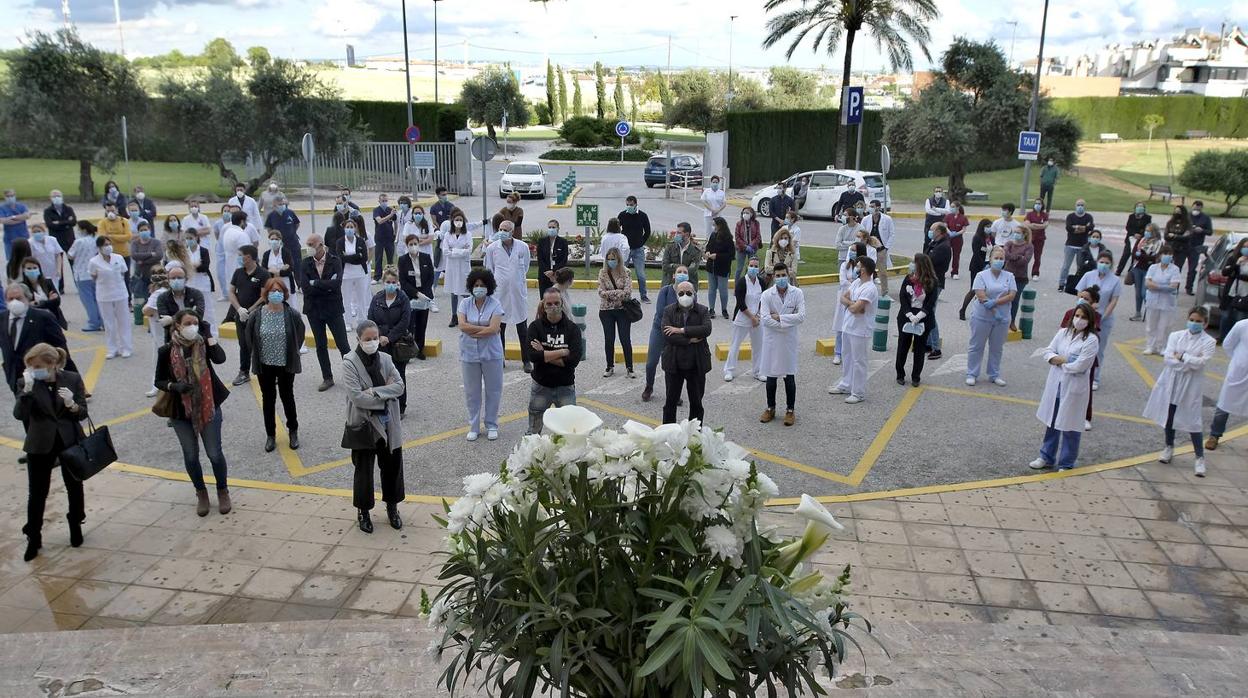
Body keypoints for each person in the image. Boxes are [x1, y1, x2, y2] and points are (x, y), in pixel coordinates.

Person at [14, 343, 89, 561]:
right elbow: (20, 414)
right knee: (37, 493)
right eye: (30, 366)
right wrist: (26, 392)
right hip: (40, 444)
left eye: (37, 366)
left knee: (74, 486)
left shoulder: (72, 379)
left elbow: (82, 413)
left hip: (69, 441)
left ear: (53, 364)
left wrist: (72, 405)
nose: (33, 370)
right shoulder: (26, 382)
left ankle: (75, 524)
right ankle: (34, 537)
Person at [154, 309, 232, 516]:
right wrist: (174, 386)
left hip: (208, 404)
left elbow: (221, 359)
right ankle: (201, 493)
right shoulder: (166, 351)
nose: (192, 327)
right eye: (187, 323)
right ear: (177, 325)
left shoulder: (203, 344)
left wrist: (209, 336)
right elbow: (158, 381)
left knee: (214, 454)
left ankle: (222, 490)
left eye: (195, 323)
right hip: (181, 411)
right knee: (190, 456)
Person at [342, 319, 406, 533]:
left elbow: (399, 386)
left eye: (375, 338)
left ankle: (392, 507)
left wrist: (375, 392)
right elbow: (357, 398)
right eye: (367, 339)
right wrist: (384, 394)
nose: (372, 342)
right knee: (364, 470)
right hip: (364, 424)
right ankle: (363, 511)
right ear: (358, 340)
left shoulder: (386, 359)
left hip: (388, 424)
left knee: (392, 467)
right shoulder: (349, 362)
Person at [1143, 307, 1216, 476]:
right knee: (1169, 415)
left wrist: (1182, 357)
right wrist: (1188, 362)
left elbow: (1201, 363)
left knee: (1193, 420)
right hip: (1171, 381)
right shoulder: (1176, 336)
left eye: (1199, 321)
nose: (1194, 323)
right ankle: (1169, 446)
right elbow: (1168, 359)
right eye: (1192, 319)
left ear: (1205, 324)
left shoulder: (1209, 342)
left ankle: (1199, 458)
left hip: (1191, 385)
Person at [1029, 302, 1099, 472]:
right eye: (1077, 316)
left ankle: (1067, 462)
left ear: (1089, 321)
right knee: (1052, 423)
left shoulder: (1091, 340)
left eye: (1083, 317)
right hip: (1057, 385)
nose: (1079, 320)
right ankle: (1046, 457)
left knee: (1071, 426)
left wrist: (1059, 361)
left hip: (1074, 388)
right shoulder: (1063, 333)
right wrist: (1061, 360)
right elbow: (1048, 352)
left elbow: (1081, 366)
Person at [245, 278, 303, 452]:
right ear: (266, 294)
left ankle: (293, 431)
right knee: (268, 399)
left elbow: (298, 336)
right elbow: (249, 338)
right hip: (265, 364)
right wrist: (256, 355)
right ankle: (271, 435)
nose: (276, 294)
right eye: (272, 291)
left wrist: (293, 352)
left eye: (279, 291)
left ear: (284, 294)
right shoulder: (257, 314)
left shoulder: (292, 314)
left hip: (285, 364)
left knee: (287, 397)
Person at [526, 287, 583, 434]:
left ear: (562, 303)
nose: (553, 307)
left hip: (565, 387)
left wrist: (543, 353)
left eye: (556, 303)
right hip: (541, 386)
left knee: (570, 432)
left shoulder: (573, 329)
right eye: (549, 304)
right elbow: (532, 356)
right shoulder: (535, 327)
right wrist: (562, 352)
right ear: (543, 305)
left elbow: (572, 361)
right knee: (533, 432)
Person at [1, 283, 77, 393]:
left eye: (18, 298)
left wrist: (69, 376)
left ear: (28, 298)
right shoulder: (2, 319)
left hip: (40, 372)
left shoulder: (43, 317)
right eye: (10, 299)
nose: (14, 302)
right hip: (14, 375)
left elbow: (60, 346)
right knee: (22, 405)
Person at [459, 268, 505, 441]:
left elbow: (494, 329)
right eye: (476, 285)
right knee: (472, 392)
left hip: (491, 354)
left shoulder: (495, 304)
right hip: (469, 354)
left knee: (494, 390)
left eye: (483, 285)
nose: (479, 288)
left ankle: (492, 424)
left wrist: (476, 331)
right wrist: (485, 330)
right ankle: (474, 426)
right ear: (471, 286)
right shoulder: (464, 304)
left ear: (489, 287)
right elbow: (462, 326)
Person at [301, 234, 351, 391]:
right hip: (314, 310)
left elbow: (336, 284)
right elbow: (305, 288)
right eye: (307, 243)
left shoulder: (335, 261)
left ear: (321, 244)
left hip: (333, 308)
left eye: (311, 243)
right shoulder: (305, 263)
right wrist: (325, 285)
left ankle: (353, 376)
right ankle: (327, 377)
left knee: (343, 344)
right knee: (320, 345)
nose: (308, 246)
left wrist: (316, 283)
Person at [660, 280, 713, 424]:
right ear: (676, 295)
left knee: (696, 403)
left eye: (689, 293)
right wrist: (689, 340)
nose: (685, 295)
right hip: (674, 363)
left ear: (694, 294)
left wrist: (681, 330)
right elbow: (667, 334)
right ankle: (668, 434)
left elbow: (706, 329)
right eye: (681, 293)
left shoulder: (703, 310)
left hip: (696, 364)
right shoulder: (668, 310)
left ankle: (694, 436)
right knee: (670, 403)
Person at [759, 264, 806, 424]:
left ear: (788, 275)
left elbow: (801, 316)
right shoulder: (766, 295)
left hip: (788, 342)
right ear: (773, 277)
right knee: (771, 377)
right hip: (772, 341)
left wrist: (779, 317)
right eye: (777, 276)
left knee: (789, 377)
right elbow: (764, 319)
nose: (780, 278)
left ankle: (790, 410)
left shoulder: (797, 293)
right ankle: (770, 408)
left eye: (783, 275)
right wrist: (786, 321)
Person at [829, 256, 878, 403]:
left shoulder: (870, 288)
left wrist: (854, 306)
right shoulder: (857, 282)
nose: (856, 267)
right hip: (848, 326)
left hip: (860, 330)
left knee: (859, 361)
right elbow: (843, 298)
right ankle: (846, 384)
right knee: (848, 357)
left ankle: (858, 392)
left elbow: (858, 308)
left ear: (863, 269)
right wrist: (853, 304)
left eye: (858, 265)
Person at [484, 220, 532, 372]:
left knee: (522, 329)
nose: (502, 232)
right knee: (500, 328)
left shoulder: (522, 247)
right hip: (500, 294)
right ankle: (500, 359)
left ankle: (526, 361)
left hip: (518, 294)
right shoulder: (492, 248)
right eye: (500, 229)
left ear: (512, 232)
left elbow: (526, 266)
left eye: (505, 229)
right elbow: (489, 269)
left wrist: (515, 280)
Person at [966, 246, 1016, 387]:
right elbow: (981, 294)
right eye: (996, 258)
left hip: (1002, 318)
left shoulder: (1009, 276)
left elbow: (1011, 295)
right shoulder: (981, 275)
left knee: (997, 347)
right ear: (990, 259)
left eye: (1001, 259)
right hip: (982, 316)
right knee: (977, 346)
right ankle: (972, 373)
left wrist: (996, 302)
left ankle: (994, 374)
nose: (999, 261)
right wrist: (994, 309)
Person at [367, 268, 413, 414]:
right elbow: (371, 319)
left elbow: (404, 322)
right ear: (383, 282)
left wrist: (390, 337)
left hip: (398, 343)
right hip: (380, 343)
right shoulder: (377, 298)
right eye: (388, 282)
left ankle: (401, 407)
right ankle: (383, 404)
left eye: (394, 282)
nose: (391, 285)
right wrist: (379, 336)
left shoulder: (403, 299)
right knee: (380, 375)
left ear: (398, 283)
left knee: (398, 375)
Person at [1075, 250, 1121, 390]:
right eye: (1101, 262)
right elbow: (1079, 292)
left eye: (1107, 263)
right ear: (1097, 262)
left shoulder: (1115, 280)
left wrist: (1103, 316)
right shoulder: (1088, 275)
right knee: (1080, 345)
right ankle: (1078, 370)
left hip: (1103, 319)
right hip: (1085, 316)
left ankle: (1095, 377)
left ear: (1111, 264)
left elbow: (1113, 301)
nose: (1104, 265)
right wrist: (1085, 304)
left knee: (1098, 349)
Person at [226, 245, 271, 385]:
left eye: (241, 255)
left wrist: (250, 310)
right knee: (243, 344)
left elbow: (264, 295)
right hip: (240, 315)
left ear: (249, 257)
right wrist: (239, 309)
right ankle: (244, 372)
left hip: (258, 315)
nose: (239, 258)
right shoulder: (238, 272)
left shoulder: (263, 273)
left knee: (260, 344)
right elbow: (232, 292)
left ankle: (268, 372)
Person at [643, 265, 686, 402]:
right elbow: (662, 312)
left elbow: (692, 315)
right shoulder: (665, 291)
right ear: (674, 276)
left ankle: (673, 393)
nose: (682, 274)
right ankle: (649, 387)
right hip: (660, 330)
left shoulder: (690, 293)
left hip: (677, 333)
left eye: (685, 272)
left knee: (672, 365)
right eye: (679, 272)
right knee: (651, 363)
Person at [895, 254, 938, 387]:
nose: (911, 264)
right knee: (903, 346)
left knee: (919, 349)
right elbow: (902, 297)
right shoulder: (908, 279)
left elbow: (930, 303)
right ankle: (900, 374)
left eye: (914, 262)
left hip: (924, 319)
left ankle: (916, 377)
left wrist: (919, 317)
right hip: (906, 317)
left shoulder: (932, 281)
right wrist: (909, 315)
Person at [88, 235, 133, 359]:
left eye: (109, 244)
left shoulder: (118, 258)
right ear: (99, 247)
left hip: (120, 293)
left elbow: (123, 272)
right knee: (109, 323)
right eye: (105, 245)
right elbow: (93, 277)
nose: (108, 247)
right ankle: (112, 349)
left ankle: (126, 348)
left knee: (124, 321)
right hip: (104, 295)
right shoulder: (94, 261)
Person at [1206, 318, 1247, 451]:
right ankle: (1214, 435)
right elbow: (1228, 344)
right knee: (1224, 405)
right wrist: (1238, 361)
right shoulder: (1242, 325)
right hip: (1238, 372)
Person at [725, 257, 768, 382]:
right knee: (735, 344)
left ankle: (758, 371)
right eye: (751, 265)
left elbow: (763, 300)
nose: (753, 268)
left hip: (758, 318)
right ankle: (729, 370)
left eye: (756, 266)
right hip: (743, 317)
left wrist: (758, 316)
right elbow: (741, 303)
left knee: (759, 345)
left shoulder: (761, 282)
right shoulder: (741, 282)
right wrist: (751, 317)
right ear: (747, 266)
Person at [598, 247, 636, 379]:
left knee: (625, 339)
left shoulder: (626, 272)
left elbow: (627, 292)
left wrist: (610, 295)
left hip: (622, 311)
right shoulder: (603, 272)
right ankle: (609, 366)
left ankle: (629, 367)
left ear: (618, 259)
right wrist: (617, 293)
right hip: (606, 311)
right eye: (608, 259)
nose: (610, 261)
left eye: (613, 259)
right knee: (609, 339)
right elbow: (601, 292)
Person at [440, 208, 479, 328]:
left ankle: (469, 315)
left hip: (463, 267)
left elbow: (468, 251)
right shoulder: (447, 234)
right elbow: (445, 251)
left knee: (466, 292)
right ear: (452, 221)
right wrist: (459, 251)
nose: (458, 222)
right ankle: (454, 316)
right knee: (453, 292)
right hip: (451, 267)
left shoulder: (468, 234)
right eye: (456, 220)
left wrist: (454, 251)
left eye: (460, 220)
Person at [398, 233, 434, 360]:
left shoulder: (426, 257)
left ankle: (420, 349)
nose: (413, 246)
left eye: (415, 244)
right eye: (410, 244)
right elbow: (403, 281)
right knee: (409, 324)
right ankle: (409, 350)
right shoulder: (402, 260)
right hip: (410, 296)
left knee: (421, 323)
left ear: (419, 244)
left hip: (424, 294)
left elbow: (430, 276)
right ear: (407, 246)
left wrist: (424, 293)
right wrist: (416, 294)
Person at [1143, 244, 1182, 355]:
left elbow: (1173, 286)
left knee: (1164, 326)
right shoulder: (1153, 268)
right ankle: (1150, 346)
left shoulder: (1175, 269)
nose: (1167, 256)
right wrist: (1164, 286)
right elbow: (1147, 283)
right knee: (1151, 325)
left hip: (1167, 302)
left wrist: (1156, 286)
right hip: (1152, 301)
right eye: (1165, 254)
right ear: (1160, 255)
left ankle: (1162, 347)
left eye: (1169, 254)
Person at [156, 264, 209, 343]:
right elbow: (165, 323)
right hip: (172, 340)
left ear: (186, 279)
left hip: (196, 338)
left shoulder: (196, 294)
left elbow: (199, 315)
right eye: (173, 278)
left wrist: (172, 319)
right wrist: (190, 313)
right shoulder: (162, 298)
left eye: (179, 278)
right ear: (168, 280)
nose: (176, 280)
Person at [336, 216, 372, 335]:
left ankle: (361, 321)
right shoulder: (340, 242)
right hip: (346, 275)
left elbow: (364, 257)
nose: (350, 229)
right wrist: (356, 256)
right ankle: (348, 322)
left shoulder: (360, 240)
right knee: (346, 299)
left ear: (355, 228)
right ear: (344, 229)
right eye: (348, 227)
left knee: (361, 298)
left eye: (352, 227)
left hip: (360, 273)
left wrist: (350, 257)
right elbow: (341, 257)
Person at [67, 221, 103, 332]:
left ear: (83, 230)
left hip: (81, 274)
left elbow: (70, 255)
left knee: (88, 301)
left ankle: (94, 322)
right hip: (95, 273)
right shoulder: (96, 240)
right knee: (98, 299)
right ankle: (102, 320)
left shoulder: (78, 242)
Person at [831, 244, 863, 367]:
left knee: (853, 327)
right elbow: (842, 281)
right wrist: (853, 283)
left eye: (854, 251)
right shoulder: (845, 265)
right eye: (851, 250)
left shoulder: (862, 266)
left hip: (857, 300)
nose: (852, 252)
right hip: (845, 298)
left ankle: (850, 353)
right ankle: (838, 353)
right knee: (840, 328)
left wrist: (851, 283)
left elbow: (864, 282)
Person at [925, 223, 952, 361]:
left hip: (935, 284)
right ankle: (929, 343)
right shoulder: (935, 243)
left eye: (932, 229)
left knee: (930, 314)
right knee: (928, 313)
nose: (930, 231)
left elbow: (929, 261)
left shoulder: (943, 247)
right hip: (929, 282)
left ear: (939, 231)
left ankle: (936, 347)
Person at [618, 195, 652, 302]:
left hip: (638, 249)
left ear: (636, 204)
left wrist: (641, 242)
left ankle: (644, 295)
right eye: (627, 205)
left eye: (631, 205)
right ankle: (621, 294)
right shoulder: (622, 215)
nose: (629, 207)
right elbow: (617, 229)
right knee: (621, 273)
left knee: (641, 275)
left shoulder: (642, 216)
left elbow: (647, 231)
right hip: (625, 250)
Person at [18, 256, 68, 330]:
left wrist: (39, 303)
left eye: (35, 268)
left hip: (53, 319)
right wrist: (48, 301)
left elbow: (57, 301)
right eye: (29, 268)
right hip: (34, 322)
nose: (32, 270)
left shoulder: (47, 282)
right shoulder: (22, 286)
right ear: (23, 271)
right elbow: (27, 307)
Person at [1126, 225, 1163, 321]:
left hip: (1149, 270)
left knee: (1144, 293)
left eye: (1149, 231)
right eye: (1146, 231)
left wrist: (1142, 256)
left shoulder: (1158, 243)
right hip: (1137, 268)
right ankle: (1138, 313)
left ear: (1154, 233)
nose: (1146, 233)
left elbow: (1154, 258)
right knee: (1138, 293)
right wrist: (1144, 256)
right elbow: (1134, 254)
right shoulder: (1141, 241)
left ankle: (1150, 311)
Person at [264, 195, 302, 285]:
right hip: (279, 245)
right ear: (274, 206)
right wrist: (275, 238)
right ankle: (280, 283)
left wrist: (292, 233)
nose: (281, 206)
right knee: (282, 265)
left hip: (293, 243)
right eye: (279, 204)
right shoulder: (271, 216)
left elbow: (297, 224)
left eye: (283, 204)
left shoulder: (290, 213)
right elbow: (269, 228)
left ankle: (300, 284)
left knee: (297, 264)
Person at [1003, 226, 1034, 331]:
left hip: (1020, 278)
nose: (1016, 234)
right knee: (1003, 299)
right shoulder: (1009, 244)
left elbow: (1025, 261)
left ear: (1024, 234)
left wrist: (1013, 257)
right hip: (1007, 275)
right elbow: (1005, 255)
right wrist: (1018, 257)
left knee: (1014, 300)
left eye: (1018, 232)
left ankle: (1012, 321)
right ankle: (1003, 320)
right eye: (1015, 232)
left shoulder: (1029, 246)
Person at [1216, 239, 1248, 341]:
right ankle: (1223, 337)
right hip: (1232, 292)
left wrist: (1241, 276)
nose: (1246, 249)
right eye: (1245, 247)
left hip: (1245, 294)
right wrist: (1237, 264)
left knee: (1240, 318)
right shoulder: (1233, 259)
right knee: (1226, 316)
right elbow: (1225, 272)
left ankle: (1237, 339)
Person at [1059, 199, 1094, 291]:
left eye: (1082, 205)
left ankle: (1079, 285)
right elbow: (1069, 228)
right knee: (1066, 266)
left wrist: (1077, 227)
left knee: (1080, 267)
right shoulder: (1070, 216)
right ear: (1075, 206)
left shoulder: (1088, 217)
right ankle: (1061, 284)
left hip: (1082, 246)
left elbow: (1090, 228)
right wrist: (1083, 228)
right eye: (1078, 205)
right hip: (1070, 245)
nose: (1080, 207)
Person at [704, 216, 734, 318]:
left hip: (722, 268)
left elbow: (731, 255)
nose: (713, 227)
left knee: (723, 290)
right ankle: (711, 309)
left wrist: (717, 256)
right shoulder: (713, 235)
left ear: (720, 225)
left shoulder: (728, 238)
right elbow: (708, 246)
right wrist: (707, 252)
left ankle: (724, 309)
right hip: (711, 267)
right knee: (711, 289)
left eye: (714, 225)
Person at [863, 200, 895, 293]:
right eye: (870, 206)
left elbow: (892, 234)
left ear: (878, 207)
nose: (870, 208)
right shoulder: (866, 219)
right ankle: (867, 291)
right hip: (869, 248)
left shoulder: (887, 219)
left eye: (872, 206)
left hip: (881, 249)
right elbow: (862, 233)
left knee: (883, 273)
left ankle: (884, 293)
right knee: (867, 271)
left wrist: (886, 248)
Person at [661, 222, 702, 292]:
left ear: (687, 234)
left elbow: (693, 269)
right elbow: (665, 266)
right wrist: (682, 267)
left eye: (679, 233)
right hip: (670, 284)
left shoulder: (696, 251)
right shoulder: (670, 247)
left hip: (689, 286)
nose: (676, 235)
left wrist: (673, 266)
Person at [42, 193, 76, 273]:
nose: (56, 198)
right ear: (50, 198)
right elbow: (50, 224)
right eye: (54, 196)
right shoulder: (48, 211)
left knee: (73, 264)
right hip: (56, 240)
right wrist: (66, 223)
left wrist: (58, 223)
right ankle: (59, 284)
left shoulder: (68, 209)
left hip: (69, 239)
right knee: (58, 265)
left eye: (58, 196)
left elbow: (73, 222)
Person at [129, 219, 164, 298]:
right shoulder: (135, 243)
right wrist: (151, 254)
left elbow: (159, 255)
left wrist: (143, 261)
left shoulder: (156, 242)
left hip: (155, 275)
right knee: (140, 299)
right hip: (140, 277)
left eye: (145, 229)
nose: (143, 231)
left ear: (150, 230)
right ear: (138, 232)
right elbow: (134, 255)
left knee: (156, 299)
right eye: (141, 230)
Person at [28, 222, 64, 295]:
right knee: (43, 293)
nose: (37, 233)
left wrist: (58, 269)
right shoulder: (30, 242)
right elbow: (30, 259)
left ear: (43, 231)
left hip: (53, 272)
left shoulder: (52, 240)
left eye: (38, 231)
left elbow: (58, 255)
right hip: (40, 273)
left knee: (55, 293)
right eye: (34, 232)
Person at [536, 219, 569, 296]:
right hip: (544, 275)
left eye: (553, 227)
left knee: (558, 299)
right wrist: (548, 272)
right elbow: (540, 259)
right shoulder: (542, 241)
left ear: (558, 228)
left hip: (558, 276)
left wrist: (554, 272)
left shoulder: (563, 242)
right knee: (544, 299)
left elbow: (564, 260)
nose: (551, 229)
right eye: (549, 227)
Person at [1118, 202, 1152, 276]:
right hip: (1131, 238)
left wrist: (1141, 235)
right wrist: (1134, 234)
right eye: (1138, 206)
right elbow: (1128, 227)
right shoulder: (1131, 216)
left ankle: (1131, 271)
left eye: (1141, 206)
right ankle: (1119, 270)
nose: (1140, 208)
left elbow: (1148, 227)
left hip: (1141, 239)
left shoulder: (1147, 217)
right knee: (1125, 255)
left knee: (1135, 255)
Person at [1187, 200, 1213, 294]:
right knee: (1178, 267)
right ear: (1192, 206)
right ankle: (1175, 287)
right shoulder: (1187, 216)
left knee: (1192, 268)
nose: (1196, 209)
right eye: (1195, 207)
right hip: (1184, 244)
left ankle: (1189, 287)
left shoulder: (1205, 218)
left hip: (1196, 245)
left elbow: (1210, 231)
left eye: (1199, 208)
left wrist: (1202, 230)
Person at [262, 229, 297, 297]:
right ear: (269, 240)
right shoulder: (266, 254)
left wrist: (274, 271)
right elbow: (264, 271)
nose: (274, 241)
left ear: (280, 240)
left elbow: (290, 269)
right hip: (272, 284)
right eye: (272, 239)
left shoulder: (286, 252)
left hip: (286, 284)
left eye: (276, 239)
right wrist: (281, 270)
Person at [1022, 199, 1048, 281]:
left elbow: (1045, 225)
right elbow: (1027, 225)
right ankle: (1022, 272)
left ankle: (1035, 273)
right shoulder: (1029, 214)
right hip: (1030, 238)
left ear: (1042, 205)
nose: (1037, 205)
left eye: (1039, 204)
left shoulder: (1045, 215)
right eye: (1036, 203)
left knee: (1037, 257)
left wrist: (1034, 225)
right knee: (1025, 256)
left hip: (1040, 239)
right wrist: (1039, 225)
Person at [1, 188, 32, 259]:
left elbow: (27, 215)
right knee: (12, 260)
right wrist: (20, 218)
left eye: (12, 196)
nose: (10, 198)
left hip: (23, 236)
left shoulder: (21, 206)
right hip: (10, 239)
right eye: (8, 196)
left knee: (26, 259)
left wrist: (12, 218)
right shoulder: (1, 208)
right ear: (5, 197)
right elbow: (3, 221)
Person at [733, 207, 762, 280]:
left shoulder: (756, 223)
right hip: (741, 248)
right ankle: (737, 286)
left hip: (752, 248)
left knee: (751, 268)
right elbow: (737, 237)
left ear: (751, 214)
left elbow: (758, 236)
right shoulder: (739, 224)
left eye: (747, 213)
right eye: (744, 213)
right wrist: (745, 246)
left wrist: (751, 245)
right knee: (739, 268)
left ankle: (748, 283)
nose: (745, 214)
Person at [1163, 204, 1192, 276]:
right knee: (1166, 268)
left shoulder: (1187, 224)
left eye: (1179, 212)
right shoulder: (1170, 223)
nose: (1177, 213)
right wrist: (1178, 236)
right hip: (1170, 248)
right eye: (1175, 211)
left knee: (1177, 269)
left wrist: (1174, 236)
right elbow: (1166, 236)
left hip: (1181, 250)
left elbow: (1186, 237)